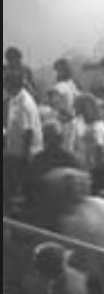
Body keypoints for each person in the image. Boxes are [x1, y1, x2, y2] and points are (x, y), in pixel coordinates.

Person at [4, 71, 43, 203]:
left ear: (11, 85)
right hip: (14, 149)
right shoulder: (14, 98)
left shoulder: (25, 103)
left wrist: (23, 157)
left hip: (27, 152)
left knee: (25, 183)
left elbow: (28, 132)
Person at [71, 93, 104, 174]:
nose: (74, 109)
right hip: (85, 163)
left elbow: (103, 148)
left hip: (95, 164)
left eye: (76, 107)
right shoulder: (76, 122)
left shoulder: (98, 126)